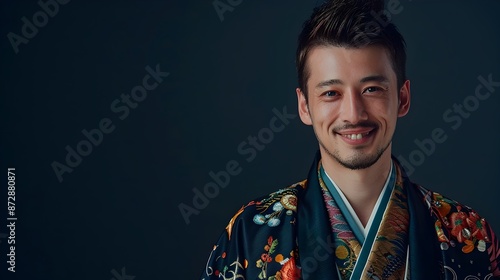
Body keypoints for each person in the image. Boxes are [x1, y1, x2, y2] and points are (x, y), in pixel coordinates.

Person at [199, 0, 500, 279]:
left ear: (403, 98)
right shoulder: (251, 234)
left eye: (372, 89)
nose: (354, 114)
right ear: (304, 106)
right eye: (331, 93)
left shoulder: (468, 234)